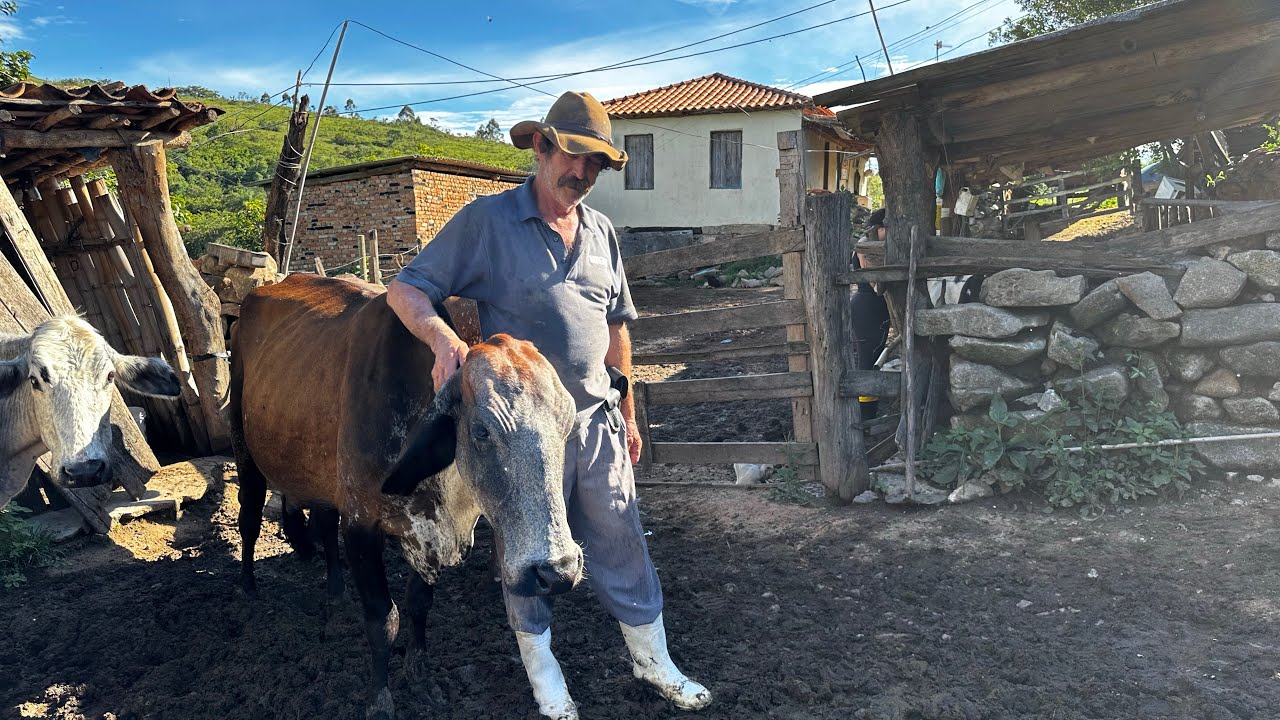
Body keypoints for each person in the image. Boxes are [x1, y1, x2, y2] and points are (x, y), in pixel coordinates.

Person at [387, 91, 711, 719]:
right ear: (540, 147)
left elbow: (617, 327)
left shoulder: (602, 233)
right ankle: (546, 679)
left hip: (594, 422)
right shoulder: (487, 223)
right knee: (529, 549)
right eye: (575, 158)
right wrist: (444, 341)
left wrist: (629, 408)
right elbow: (407, 288)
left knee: (621, 537)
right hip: (524, 435)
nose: (584, 175)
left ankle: (655, 663)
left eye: (597, 166)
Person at [852, 208, 892, 421]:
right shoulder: (865, 245)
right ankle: (864, 414)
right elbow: (874, 281)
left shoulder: (871, 242)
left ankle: (870, 409)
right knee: (867, 358)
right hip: (868, 306)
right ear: (880, 228)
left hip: (876, 306)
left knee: (875, 357)